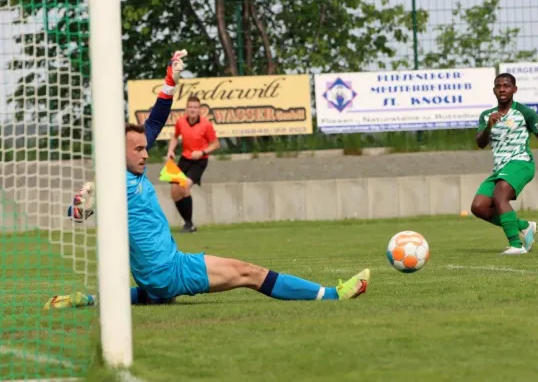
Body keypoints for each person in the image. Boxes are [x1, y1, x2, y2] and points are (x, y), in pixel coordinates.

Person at [44, 50, 369, 310]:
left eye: (146, 148)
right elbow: (78, 211)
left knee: (159, 298)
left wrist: (170, 80)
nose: (146, 154)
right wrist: (81, 204)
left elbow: (156, 118)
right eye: (138, 150)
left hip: (154, 277)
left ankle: (86, 300)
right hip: (169, 271)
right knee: (249, 273)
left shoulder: (133, 167)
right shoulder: (112, 181)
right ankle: (332, 295)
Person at [470, 72, 538, 255]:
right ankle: (524, 226)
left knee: (500, 196)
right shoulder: (486, 116)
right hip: (499, 169)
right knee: (479, 207)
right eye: (498, 86)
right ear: (494, 90)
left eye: (506, 86)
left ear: (514, 89)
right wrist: (489, 126)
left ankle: (516, 245)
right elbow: (480, 143)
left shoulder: (525, 112)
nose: (502, 89)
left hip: (521, 163)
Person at [166, 94, 220, 233]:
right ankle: (188, 224)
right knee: (174, 191)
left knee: (184, 186)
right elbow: (175, 137)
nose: (193, 110)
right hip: (184, 159)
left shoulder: (206, 125)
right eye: (190, 107)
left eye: (195, 107)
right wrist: (171, 151)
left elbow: (216, 144)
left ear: (199, 110)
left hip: (199, 160)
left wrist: (202, 152)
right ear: (186, 109)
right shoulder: (180, 122)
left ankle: (189, 224)